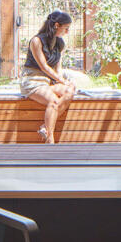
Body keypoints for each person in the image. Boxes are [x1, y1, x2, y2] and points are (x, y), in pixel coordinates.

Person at [20, 10, 76, 144]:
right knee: (54, 102)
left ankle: (46, 128)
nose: (67, 32)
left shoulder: (60, 43)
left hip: (48, 82)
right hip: (33, 81)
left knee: (69, 90)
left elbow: (58, 68)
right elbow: (44, 66)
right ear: (57, 25)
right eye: (66, 28)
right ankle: (50, 140)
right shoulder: (36, 41)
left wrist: (64, 82)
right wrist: (61, 80)